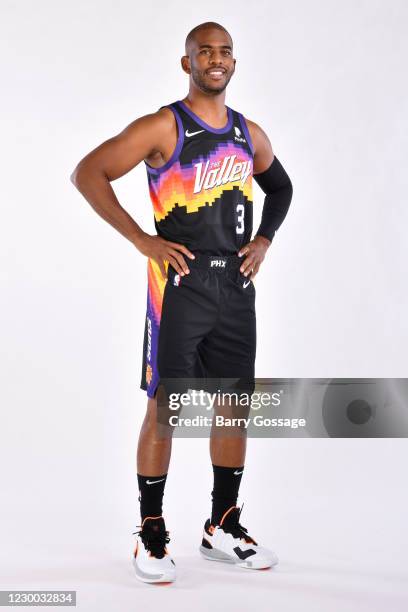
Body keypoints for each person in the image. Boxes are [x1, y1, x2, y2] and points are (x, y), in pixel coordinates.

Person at [70, 21, 293, 584]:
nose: (215, 60)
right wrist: (143, 240)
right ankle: (150, 530)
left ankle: (222, 525)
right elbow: (89, 172)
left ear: (234, 63)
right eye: (204, 52)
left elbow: (282, 188)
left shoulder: (249, 133)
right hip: (182, 284)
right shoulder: (163, 126)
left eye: (225, 52)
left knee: (233, 407)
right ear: (186, 62)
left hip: (236, 288)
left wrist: (263, 240)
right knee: (165, 408)